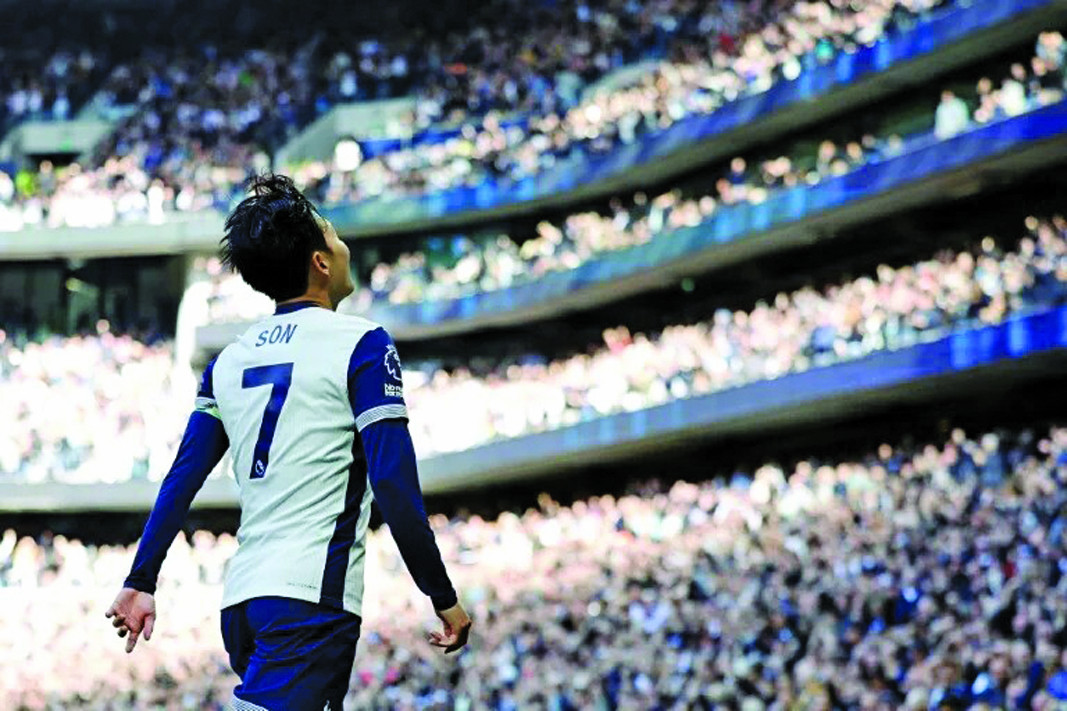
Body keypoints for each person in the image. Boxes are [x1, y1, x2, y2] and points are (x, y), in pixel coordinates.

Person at [105, 174, 471, 710]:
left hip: (243, 603)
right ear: (322, 262)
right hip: (310, 602)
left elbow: (183, 475)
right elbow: (392, 483)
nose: (344, 245)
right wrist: (443, 597)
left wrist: (142, 577)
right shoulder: (364, 344)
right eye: (334, 235)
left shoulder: (228, 360)